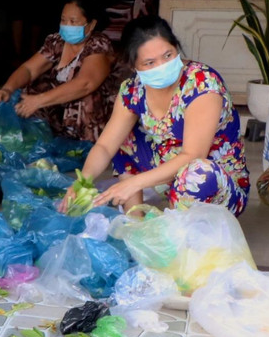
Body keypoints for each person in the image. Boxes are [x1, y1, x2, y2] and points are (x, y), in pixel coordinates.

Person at [62, 16, 250, 215]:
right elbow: (105, 146)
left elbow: (193, 155)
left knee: (197, 172)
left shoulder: (201, 84)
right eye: (149, 62)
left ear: (176, 48)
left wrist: (133, 184)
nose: (161, 66)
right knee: (123, 138)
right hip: (171, 177)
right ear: (133, 66)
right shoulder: (133, 90)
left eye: (168, 55)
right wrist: (82, 181)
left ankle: (180, 231)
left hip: (218, 187)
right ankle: (135, 221)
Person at [0, 0, 126, 142]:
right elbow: (29, 69)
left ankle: (85, 148)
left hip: (94, 118)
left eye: (73, 21)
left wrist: (39, 100)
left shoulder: (99, 45)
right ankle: (42, 140)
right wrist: (7, 89)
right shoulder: (57, 42)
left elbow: (86, 84)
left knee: (86, 97)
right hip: (59, 114)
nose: (67, 25)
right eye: (63, 20)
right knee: (34, 86)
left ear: (91, 25)